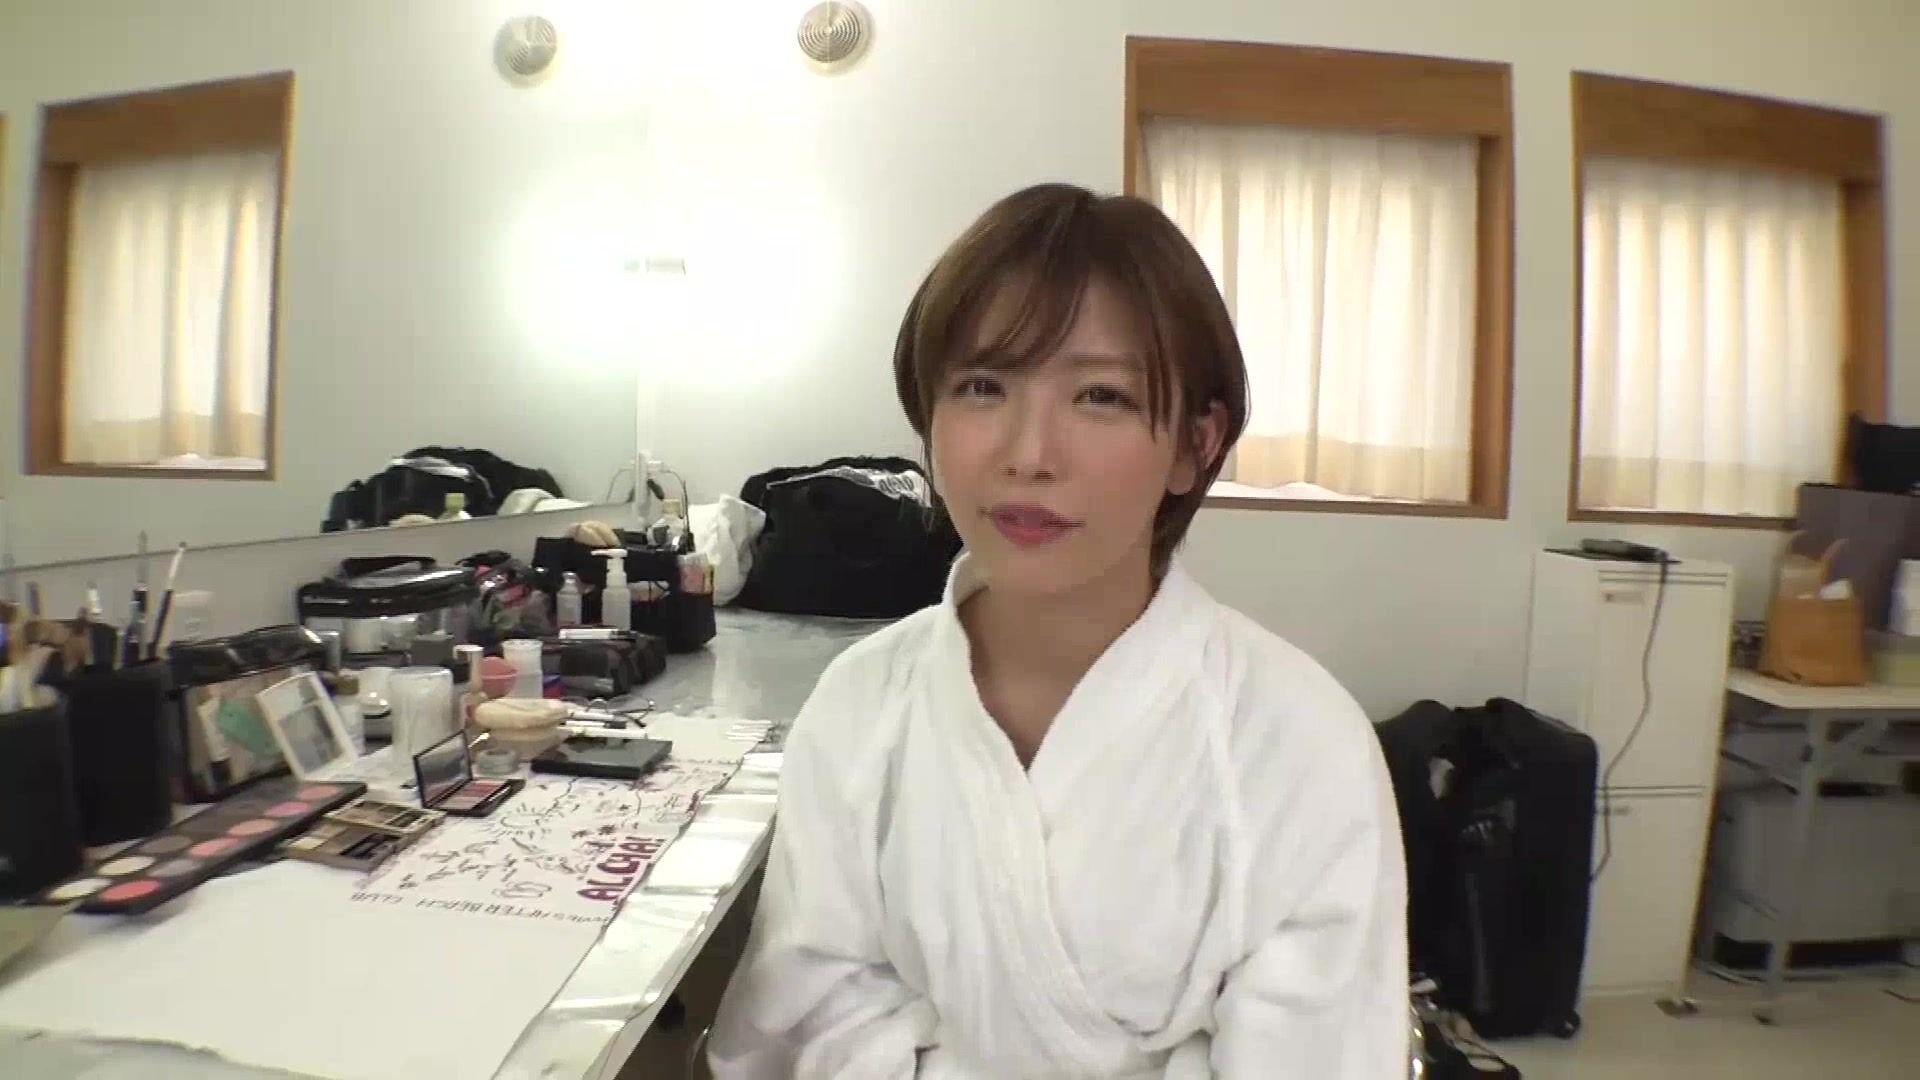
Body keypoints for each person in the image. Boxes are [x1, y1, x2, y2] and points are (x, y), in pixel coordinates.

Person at [708, 183, 1407, 1078]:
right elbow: (803, 1023)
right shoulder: (860, 704)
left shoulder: (1300, 740)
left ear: (1196, 444)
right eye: (982, 386)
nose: (1029, 454)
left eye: (1101, 396)